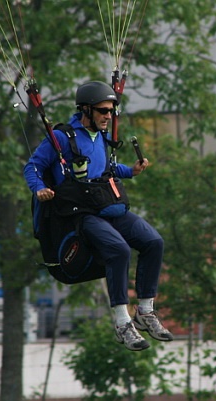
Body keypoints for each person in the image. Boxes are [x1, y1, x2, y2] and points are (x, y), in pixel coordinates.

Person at [23, 80, 173, 351]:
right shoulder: (62, 137)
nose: (108, 116)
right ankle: (122, 322)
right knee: (119, 250)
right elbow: (32, 167)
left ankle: (145, 311)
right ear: (86, 110)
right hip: (81, 213)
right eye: (103, 111)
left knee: (153, 241)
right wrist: (40, 188)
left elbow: (106, 169)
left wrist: (131, 171)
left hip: (106, 205)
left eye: (111, 111)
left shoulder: (101, 136)